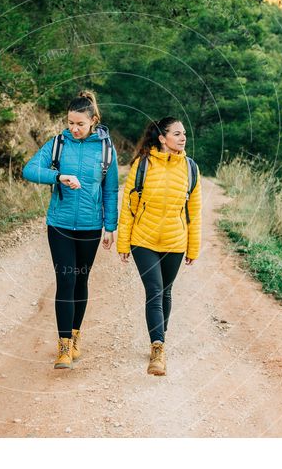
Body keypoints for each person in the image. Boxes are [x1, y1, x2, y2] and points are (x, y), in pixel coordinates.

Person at [22, 90, 119, 369]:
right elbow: (29, 170)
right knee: (65, 281)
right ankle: (63, 347)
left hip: (91, 226)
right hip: (60, 225)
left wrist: (110, 226)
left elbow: (110, 190)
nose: (74, 129)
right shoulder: (57, 144)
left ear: (93, 121)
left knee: (80, 281)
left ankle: (75, 338)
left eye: (80, 124)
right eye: (70, 123)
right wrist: (58, 176)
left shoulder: (105, 149)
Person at [117, 117, 201, 376]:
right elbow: (128, 209)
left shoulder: (190, 168)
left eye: (184, 133)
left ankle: (158, 338)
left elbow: (194, 212)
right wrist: (123, 242)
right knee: (154, 291)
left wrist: (193, 247)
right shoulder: (142, 165)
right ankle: (158, 349)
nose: (183, 137)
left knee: (165, 292)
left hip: (175, 242)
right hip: (143, 240)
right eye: (177, 133)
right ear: (162, 138)